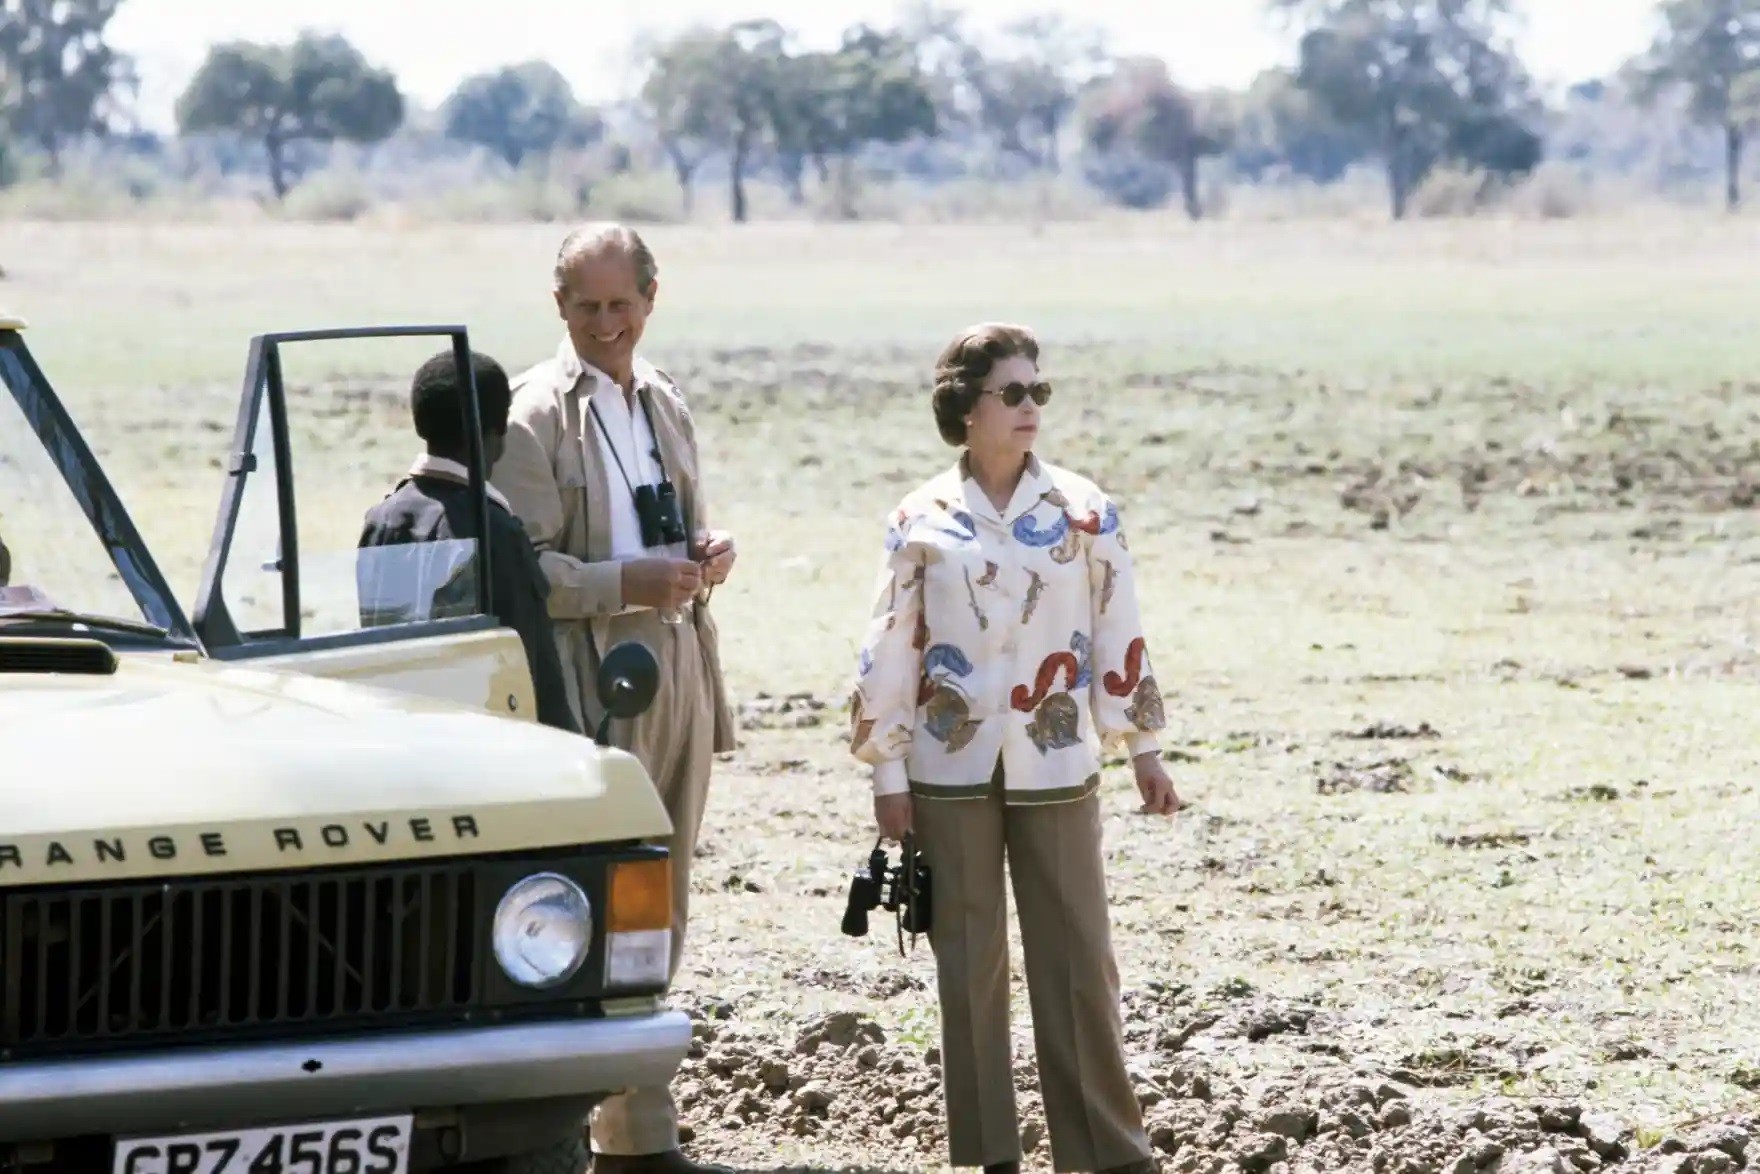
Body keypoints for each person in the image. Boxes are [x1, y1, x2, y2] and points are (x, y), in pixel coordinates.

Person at [848, 323, 1181, 1174]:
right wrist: (888, 772)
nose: (1032, 408)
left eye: (1041, 391)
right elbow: (892, 646)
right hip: (946, 769)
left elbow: (1119, 630)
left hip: (1060, 765)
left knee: (1078, 960)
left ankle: (1108, 1154)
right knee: (967, 965)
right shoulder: (918, 519)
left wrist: (1143, 748)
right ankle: (987, 1157)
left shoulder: (1085, 510)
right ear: (967, 407)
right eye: (1014, 393)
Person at [490, 222, 738, 1174]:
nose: (605, 324)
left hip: (676, 659)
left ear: (650, 299)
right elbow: (523, 571)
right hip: (595, 674)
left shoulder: (661, 397)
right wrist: (625, 585)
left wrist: (706, 555)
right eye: (586, 307)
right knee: (610, 903)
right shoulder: (534, 414)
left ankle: (635, 1130)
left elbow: (678, 522)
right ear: (559, 306)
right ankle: (620, 1138)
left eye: (620, 306)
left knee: (666, 900)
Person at [357, 349, 579, 735]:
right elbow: (535, 673)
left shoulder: (382, 520)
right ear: (498, 434)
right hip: (481, 744)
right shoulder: (494, 531)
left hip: (401, 737)